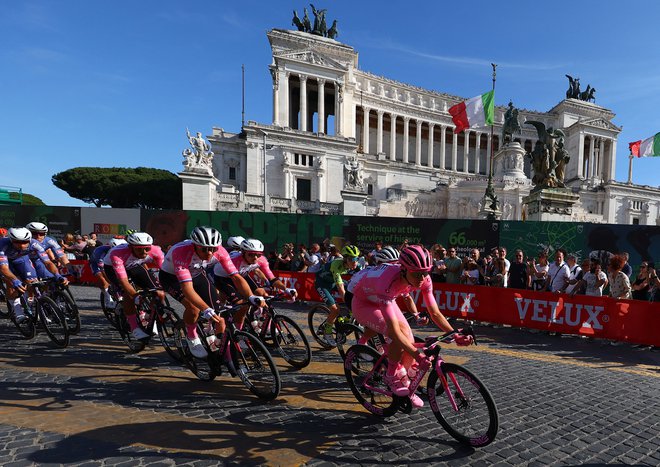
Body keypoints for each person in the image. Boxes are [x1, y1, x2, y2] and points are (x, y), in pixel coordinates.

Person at [350, 245, 473, 409]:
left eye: (425, 272)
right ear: (403, 269)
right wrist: (418, 355)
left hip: (386, 299)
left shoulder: (424, 278)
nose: (422, 278)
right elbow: (394, 331)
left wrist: (454, 334)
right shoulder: (387, 281)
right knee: (398, 334)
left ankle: (405, 382)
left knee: (408, 336)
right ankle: (391, 374)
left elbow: (435, 313)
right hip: (364, 304)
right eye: (417, 274)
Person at [158, 227, 264, 358]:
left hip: (196, 274)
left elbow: (236, 277)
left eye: (212, 249)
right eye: (204, 249)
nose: (209, 253)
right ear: (195, 245)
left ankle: (218, 343)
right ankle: (192, 337)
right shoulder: (181, 252)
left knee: (219, 314)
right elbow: (187, 288)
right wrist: (205, 309)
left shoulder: (221, 251)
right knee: (194, 309)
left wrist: (251, 296)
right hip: (171, 278)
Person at [212, 238, 297, 327]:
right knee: (243, 305)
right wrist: (250, 297)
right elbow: (237, 280)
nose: (255, 257)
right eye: (251, 254)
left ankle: (258, 318)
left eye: (258, 254)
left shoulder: (261, 260)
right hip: (223, 278)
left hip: (241, 275)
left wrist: (286, 289)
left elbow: (272, 278)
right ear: (243, 253)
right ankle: (235, 329)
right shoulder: (235, 260)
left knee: (262, 293)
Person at [103, 232, 165, 343]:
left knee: (159, 293)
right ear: (130, 247)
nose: (144, 252)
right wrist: (135, 296)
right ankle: (134, 326)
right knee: (129, 295)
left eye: (147, 248)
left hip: (135, 265)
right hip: (113, 268)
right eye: (140, 249)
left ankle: (150, 318)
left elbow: (166, 272)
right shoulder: (117, 253)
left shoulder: (156, 250)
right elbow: (124, 281)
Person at [0, 227, 67, 323]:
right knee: (11, 284)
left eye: (25, 242)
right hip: (5, 262)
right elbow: (4, 268)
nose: (22, 245)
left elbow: (48, 262)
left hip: (21, 259)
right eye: (17, 242)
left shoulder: (35, 244)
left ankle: (31, 307)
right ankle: (18, 313)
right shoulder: (3, 244)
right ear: (11, 240)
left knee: (32, 282)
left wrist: (57, 275)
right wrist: (14, 280)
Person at [314, 244, 360, 344]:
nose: (355, 262)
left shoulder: (357, 265)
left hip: (333, 281)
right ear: (346, 259)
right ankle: (327, 332)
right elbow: (341, 289)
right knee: (335, 310)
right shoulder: (336, 265)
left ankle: (347, 318)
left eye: (357, 258)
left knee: (355, 292)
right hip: (322, 283)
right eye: (352, 259)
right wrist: (350, 304)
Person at [90, 236, 127, 307]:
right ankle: (108, 300)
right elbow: (102, 269)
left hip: (110, 262)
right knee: (102, 279)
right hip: (95, 263)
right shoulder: (100, 252)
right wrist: (111, 281)